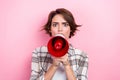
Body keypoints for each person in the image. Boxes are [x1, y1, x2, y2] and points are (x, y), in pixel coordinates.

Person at [30, 8, 88, 80]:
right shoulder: (38, 53)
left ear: (71, 29)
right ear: (50, 29)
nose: (60, 29)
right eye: (55, 25)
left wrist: (67, 65)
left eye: (65, 25)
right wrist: (54, 65)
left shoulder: (82, 56)